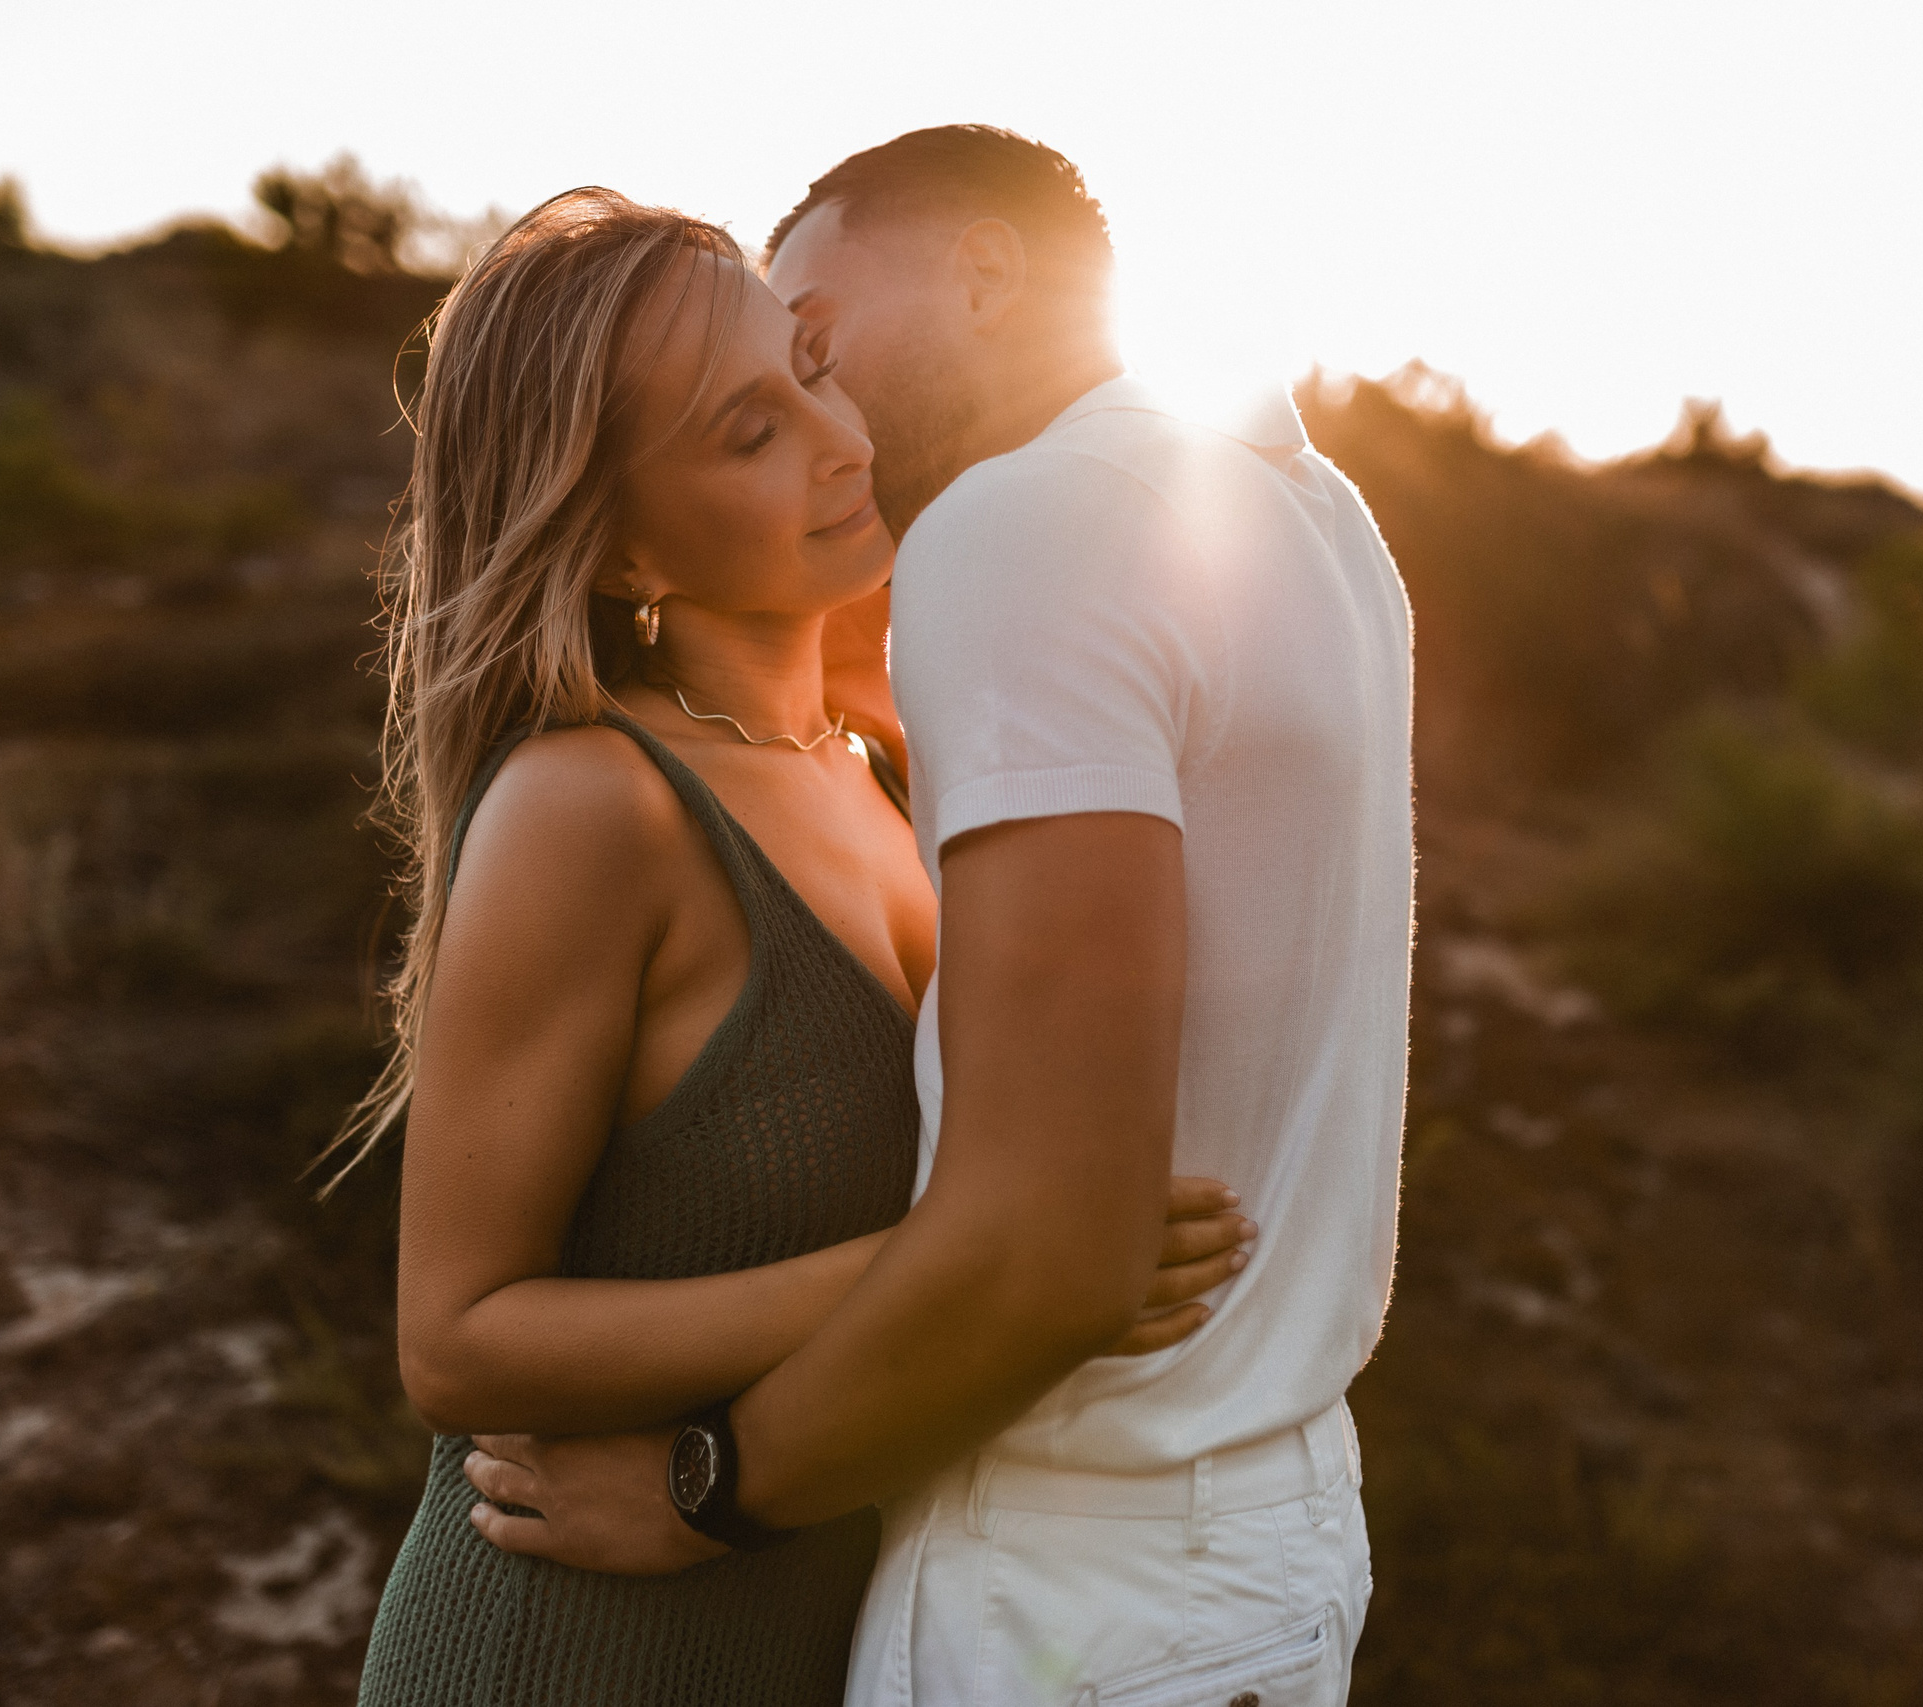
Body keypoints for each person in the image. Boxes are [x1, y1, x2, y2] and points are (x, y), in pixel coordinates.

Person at [466, 128, 1416, 1706]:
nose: (830, 410)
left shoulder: (1027, 522)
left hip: (1073, 1573)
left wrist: (709, 1493)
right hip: (1272, 1529)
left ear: (984, 270)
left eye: (823, 341)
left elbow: (1051, 1248)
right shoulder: (1326, 526)